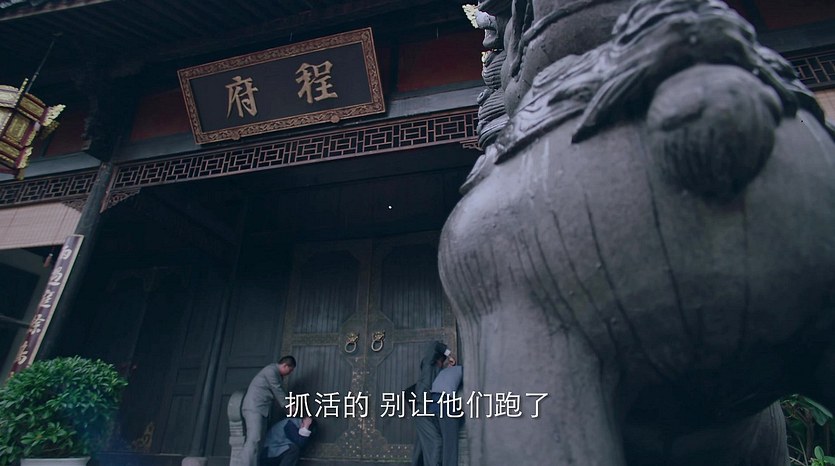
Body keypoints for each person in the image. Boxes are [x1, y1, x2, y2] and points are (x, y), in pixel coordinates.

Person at [239, 355, 297, 466]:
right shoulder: (271, 371)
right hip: (254, 408)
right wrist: (288, 405)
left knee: (259, 442)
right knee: (253, 440)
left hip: (262, 410)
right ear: (285, 366)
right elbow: (277, 389)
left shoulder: (276, 374)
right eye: (290, 370)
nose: (290, 373)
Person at [411, 340, 450, 466]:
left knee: (420, 450)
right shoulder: (428, 366)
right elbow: (434, 345)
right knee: (436, 443)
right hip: (423, 411)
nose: (442, 363)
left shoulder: (439, 372)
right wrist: (449, 353)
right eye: (442, 360)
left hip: (430, 413)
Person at [430, 356, 463, 466]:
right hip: (445, 403)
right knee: (450, 441)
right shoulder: (462, 370)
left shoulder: (443, 372)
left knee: (439, 440)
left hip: (432, 404)